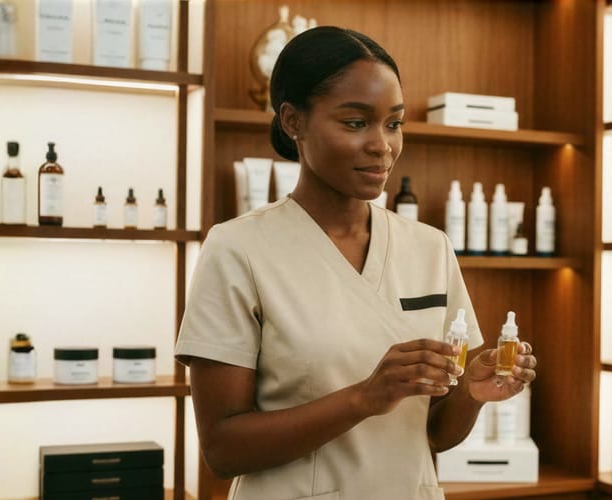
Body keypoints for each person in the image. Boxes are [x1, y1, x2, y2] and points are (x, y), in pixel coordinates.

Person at [175, 26, 537, 500]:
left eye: (394, 123)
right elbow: (223, 450)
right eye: (354, 123)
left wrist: (472, 390)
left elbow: (434, 434)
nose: (382, 145)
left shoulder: (430, 248)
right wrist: (364, 398)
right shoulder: (237, 249)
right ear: (293, 121)